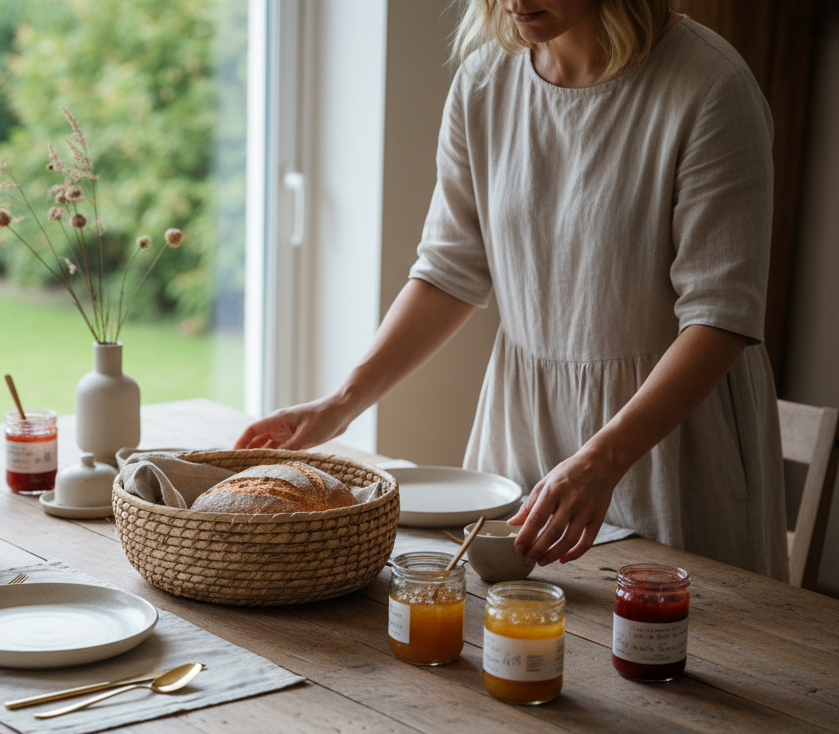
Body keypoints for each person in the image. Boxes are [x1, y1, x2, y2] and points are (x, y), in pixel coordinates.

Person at [235, 0, 788, 580]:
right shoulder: (484, 80)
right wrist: (338, 405)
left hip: (665, 444)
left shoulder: (710, 86)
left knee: (673, 654)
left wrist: (603, 461)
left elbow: (719, 314)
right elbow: (449, 271)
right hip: (521, 435)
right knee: (493, 649)